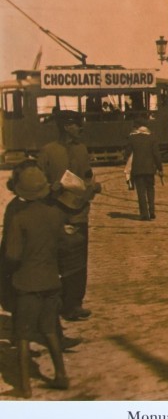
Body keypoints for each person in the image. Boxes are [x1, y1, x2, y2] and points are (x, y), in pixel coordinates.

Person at [3, 163, 70, 396]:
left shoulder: (19, 218)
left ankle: (24, 386)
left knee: (22, 335)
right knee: (49, 329)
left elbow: (12, 255)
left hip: (27, 284)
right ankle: (61, 375)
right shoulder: (55, 214)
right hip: (52, 281)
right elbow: (63, 244)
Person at [36, 109, 99, 322]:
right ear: (65, 127)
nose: (80, 128)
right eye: (76, 125)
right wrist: (49, 187)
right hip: (55, 214)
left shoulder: (82, 149)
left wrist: (92, 186)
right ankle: (57, 304)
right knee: (56, 260)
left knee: (79, 260)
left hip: (79, 213)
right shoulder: (47, 152)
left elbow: (87, 177)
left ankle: (74, 303)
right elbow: (37, 184)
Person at [125, 118, 163, 221]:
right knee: (150, 189)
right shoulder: (152, 138)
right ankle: (152, 211)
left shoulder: (132, 138)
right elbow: (157, 155)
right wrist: (160, 168)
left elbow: (127, 154)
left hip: (137, 169)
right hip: (150, 169)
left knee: (141, 192)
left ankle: (144, 214)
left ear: (137, 127)